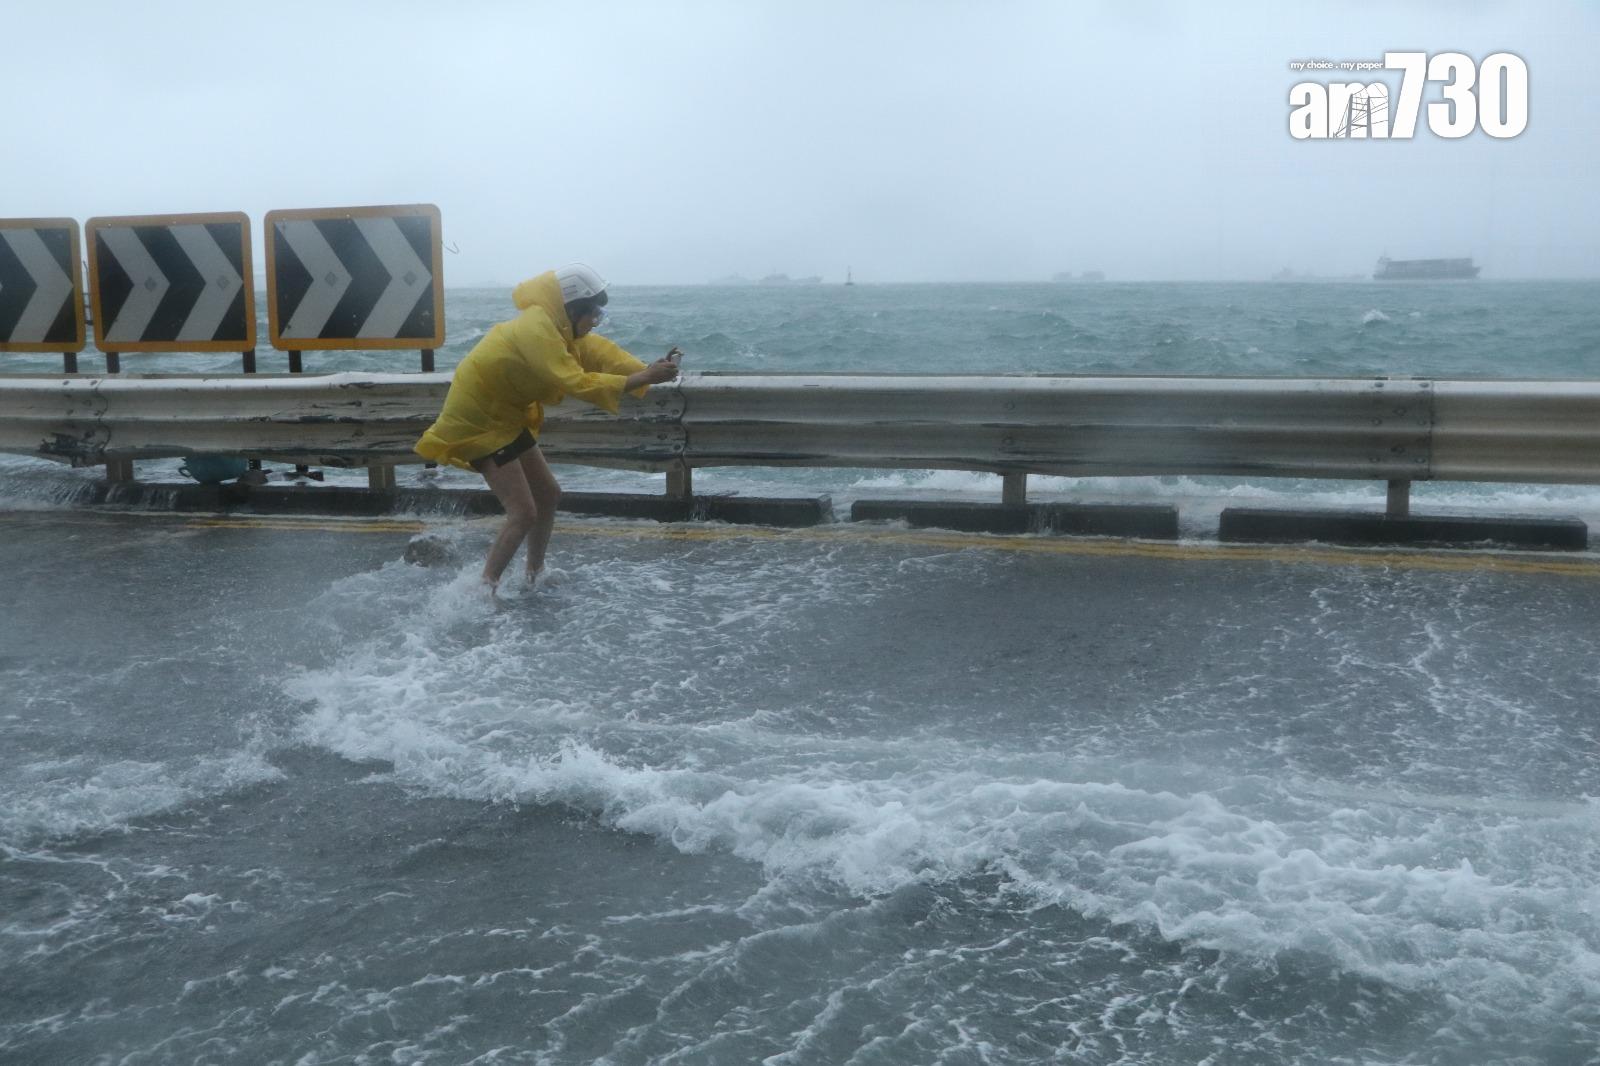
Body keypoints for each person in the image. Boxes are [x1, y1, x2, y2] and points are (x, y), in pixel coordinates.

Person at [414, 264, 681, 594]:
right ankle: (483, 591)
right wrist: (642, 379)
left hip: (505, 416)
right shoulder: (537, 329)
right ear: (572, 306)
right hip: (479, 420)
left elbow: (600, 353)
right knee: (523, 512)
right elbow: (572, 380)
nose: (596, 321)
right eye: (593, 313)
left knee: (548, 495)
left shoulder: (560, 329)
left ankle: (533, 574)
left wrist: (648, 369)